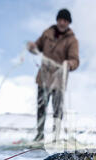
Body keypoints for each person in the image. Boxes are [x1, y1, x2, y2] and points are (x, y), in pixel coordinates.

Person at [27, 8, 80, 142]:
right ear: (57, 20)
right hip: (43, 79)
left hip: (59, 81)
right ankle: (39, 136)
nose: (62, 23)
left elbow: (75, 60)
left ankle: (55, 137)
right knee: (41, 108)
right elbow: (37, 47)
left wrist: (69, 64)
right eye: (60, 20)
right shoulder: (47, 33)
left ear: (69, 23)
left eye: (65, 21)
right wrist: (32, 47)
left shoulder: (72, 40)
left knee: (57, 110)